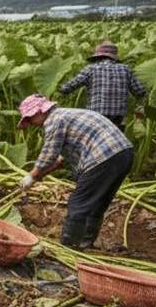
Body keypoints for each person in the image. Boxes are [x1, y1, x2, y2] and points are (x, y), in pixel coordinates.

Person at [16, 94, 134, 250]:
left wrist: (31, 176)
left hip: (103, 156)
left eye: (30, 119)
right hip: (123, 154)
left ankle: (70, 246)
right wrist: (39, 176)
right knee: (97, 203)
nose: (30, 123)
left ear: (39, 111)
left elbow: (49, 154)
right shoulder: (68, 115)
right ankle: (86, 243)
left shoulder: (55, 119)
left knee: (79, 203)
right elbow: (59, 161)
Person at [59, 42, 146, 131]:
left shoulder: (90, 69)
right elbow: (140, 91)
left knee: (97, 137)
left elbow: (68, 87)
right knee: (114, 136)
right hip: (118, 115)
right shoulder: (125, 69)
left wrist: (60, 90)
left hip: (97, 115)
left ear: (98, 56)